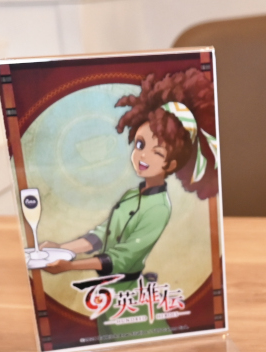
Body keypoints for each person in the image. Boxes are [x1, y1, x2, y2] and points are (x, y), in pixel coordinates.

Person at [41, 68, 219, 280]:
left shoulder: (158, 209)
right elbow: (102, 234)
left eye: (157, 152)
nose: (143, 156)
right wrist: (62, 249)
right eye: (140, 144)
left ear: (171, 165)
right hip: (108, 287)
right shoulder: (132, 196)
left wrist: (69, 266)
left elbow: (124, 258)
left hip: (128, 289)